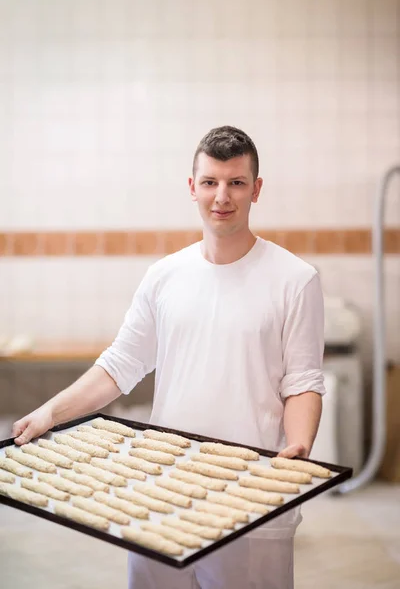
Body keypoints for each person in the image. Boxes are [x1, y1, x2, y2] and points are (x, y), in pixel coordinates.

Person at [12, 126, 325, 589]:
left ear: (256, 189)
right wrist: (49, 414)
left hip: (251, 498)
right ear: (192, 187)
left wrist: (298, 447)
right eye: (210, 182)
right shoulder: (164, 277)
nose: (222, 196)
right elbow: (120, 366)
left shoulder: (294, 279)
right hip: (161, 494)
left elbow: (302, 380)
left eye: (236, 182)